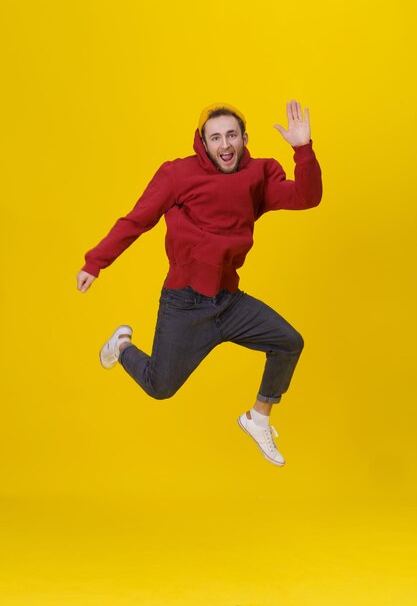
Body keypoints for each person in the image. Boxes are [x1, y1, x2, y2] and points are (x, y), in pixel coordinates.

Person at [77, 100, 322, 466]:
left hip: (228, 302)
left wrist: (302, 149)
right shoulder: (177, 175)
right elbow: (136, 220)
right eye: (216, 137)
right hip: (185, 303)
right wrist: (96, 262)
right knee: (161, 387)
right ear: (203, 143)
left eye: (232, 136)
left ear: (244, 139)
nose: (225, 145)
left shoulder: (257, 175)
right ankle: (122, 345)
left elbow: (307, 197)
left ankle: (258, 418)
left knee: (288, 342)